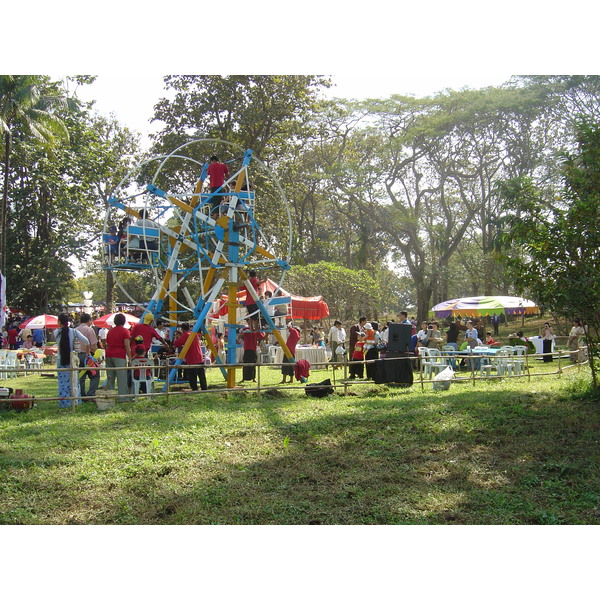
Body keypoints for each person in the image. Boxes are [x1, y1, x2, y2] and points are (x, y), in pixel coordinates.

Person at [54, 313, 89, 408]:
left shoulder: (56, 333)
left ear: (59, 322)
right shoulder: (74, 331)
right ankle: (75, 401)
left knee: (62, 383)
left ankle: (63, 402)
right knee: (73, 381)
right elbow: (86, 341)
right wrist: (87, 352)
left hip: (61, 360)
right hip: (72, 360)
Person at [105, 312, 132, 402]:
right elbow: (126, 345)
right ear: (124, 322)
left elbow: (107, 343)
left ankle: (110, 397)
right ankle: (123, 398)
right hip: (119, 355)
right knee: (122, 378)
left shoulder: (110, 331)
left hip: (109, 354)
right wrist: (130, 357)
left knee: (110, 377)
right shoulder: (125, 331)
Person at [173, 323, 208, 391]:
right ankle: (204, 388)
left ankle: (194, 388)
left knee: (192, 375)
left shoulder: (186, 335)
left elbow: (176, 343)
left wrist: (176, 337)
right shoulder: (193, 334)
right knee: (201, 374)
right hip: (199, 357)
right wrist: (181, 334)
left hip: (192, 358)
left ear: (182, 329)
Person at [75, 313, 99, 399]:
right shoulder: (89, 330)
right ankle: (91, 394)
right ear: (89, 320)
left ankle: (81, 395)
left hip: (77, 355)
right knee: (95, 375)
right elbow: (93, 344)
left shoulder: (75, 330)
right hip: (88, 355)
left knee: (81, 376)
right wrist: (98, 355)